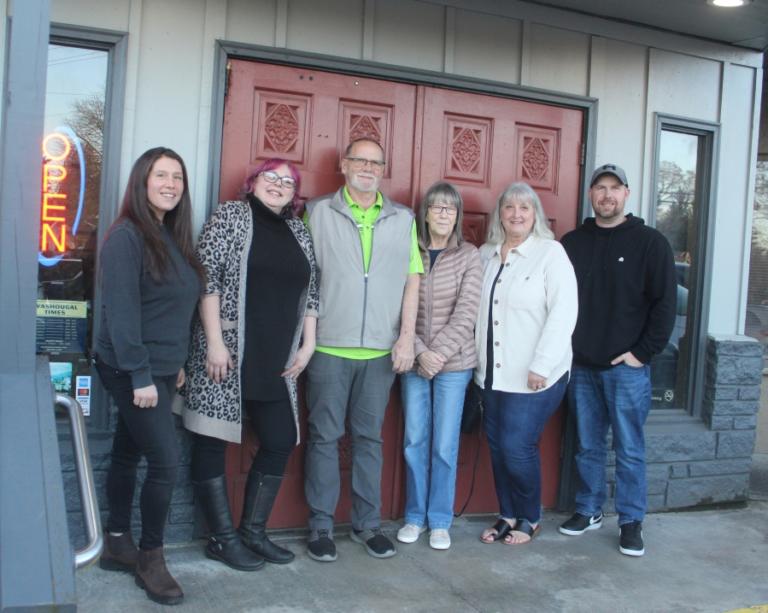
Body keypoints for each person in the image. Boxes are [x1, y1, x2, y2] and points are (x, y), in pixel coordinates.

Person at [181, 159, 318, 571]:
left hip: (277, 355)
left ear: (295, 193)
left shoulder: (298, 230)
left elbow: (313, 289)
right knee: (211, 440)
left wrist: (309, 344)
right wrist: (215, 344)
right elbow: (206, 278)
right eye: (270, 177)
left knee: (279, 438)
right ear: (253, 182)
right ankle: (222, 540)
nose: (277, 185)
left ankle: (252, 533)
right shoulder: (230, 215)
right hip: (227, 351)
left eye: (287, 181)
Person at [303, 137, 423, 561]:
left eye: (376, 162)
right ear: (344, 164)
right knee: (323, 437)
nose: (368, 168)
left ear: (383, 169)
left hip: (379, 352)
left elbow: (413, 280)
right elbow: (303, 276)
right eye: (360, 160)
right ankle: (320, 526)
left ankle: (367, 525)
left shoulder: (402, 218)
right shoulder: (317, 212)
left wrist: (407, 337)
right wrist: (305, 338)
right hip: (328, 349)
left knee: (369, 439)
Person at [95, 147, 203, 605]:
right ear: (142, 182)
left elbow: (172, 310)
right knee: (164, 461)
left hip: (160, 367)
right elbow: (122, 315)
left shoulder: (171, 236)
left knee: (126, 449)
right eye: (161, 175)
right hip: (127, 366)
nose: (171, 184)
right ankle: (150, 559)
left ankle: (117, 542)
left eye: (177, 177)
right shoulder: (127, 237)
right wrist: (140, 375)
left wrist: (175, 363)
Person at [559, 163, 676, 557]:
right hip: (582, 366)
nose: (606, 195)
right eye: (599, 188)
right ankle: (589, 509)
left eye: (614, 187)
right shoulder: (572, 243)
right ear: (590, 195)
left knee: (629, 448)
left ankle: (630, 521)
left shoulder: (650, 242)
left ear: (626, 193)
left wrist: (641, 354)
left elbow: (665, 306)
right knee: (587, 446)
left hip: (626, 369)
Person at [475, 182, 578, 546]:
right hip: (492, 373)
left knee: (517, 447)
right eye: (509, 207)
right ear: (500, 214)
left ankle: (530, 517)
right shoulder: (486, 254)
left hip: (535, 373)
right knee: (499, 446)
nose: (516, 214)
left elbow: (563, 314)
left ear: (535, 215)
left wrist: (543, 364)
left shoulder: (550, 254)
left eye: (525, 208)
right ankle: (507, 513)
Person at [396, 182, 482, 551]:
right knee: (415, 441)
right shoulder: (407, 250)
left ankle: (440, 520)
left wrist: (437, 355)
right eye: (437, 207)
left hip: (454, 364)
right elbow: (397, 307)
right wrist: (418, 351)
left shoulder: (469, 255)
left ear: (457, 216)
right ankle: (415, 517)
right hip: (414, 360)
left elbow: (467, 313)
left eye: (450, 208)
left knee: (444, 446)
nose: (444, 214)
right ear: (425, 213)